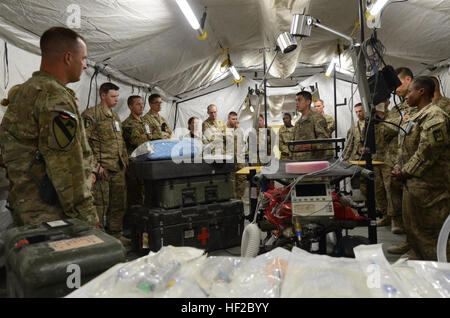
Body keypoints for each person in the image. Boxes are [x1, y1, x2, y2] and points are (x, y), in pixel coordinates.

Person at [0, 27, 98, 227]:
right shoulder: (55, 96)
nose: (86, 65)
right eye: (83, 58)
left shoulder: (25, 91)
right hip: (51, 214)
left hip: (26, 208)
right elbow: (67, 169)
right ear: (68, 57)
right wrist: (87, 218)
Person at [392, 76, 449, 261]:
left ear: (421, 91)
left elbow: (428, 152)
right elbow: (404, 146)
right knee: (414, 230)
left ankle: (440, 275)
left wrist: (405, 171)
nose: (406, 96)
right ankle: (420, 263)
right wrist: (398, 167)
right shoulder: (415, 115)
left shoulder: (434, 116)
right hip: (414, 183)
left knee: (430, 235)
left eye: (410, 92)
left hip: (430, 187)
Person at [82, 82, 129, 245]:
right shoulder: (91, 115)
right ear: (103, 95)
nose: (116, 99)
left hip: (117, 167)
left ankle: (116, 235)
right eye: (113, 96)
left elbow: (120, 141)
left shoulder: (115, 117)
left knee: (118, 204)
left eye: (117, 96)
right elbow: (83, 142)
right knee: (100, 206)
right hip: (102, 169)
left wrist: (124, 161)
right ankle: (100, 241)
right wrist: (95, 165)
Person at [382, 67, 413, 241]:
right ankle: (397, 222)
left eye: (398, 83)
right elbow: (387, 125)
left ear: (408, 80)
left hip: (412, 159)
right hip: (395, 156)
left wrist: (397, 123)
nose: (395, 89)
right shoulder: (398, 107)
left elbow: (396, 125)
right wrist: (402, 121)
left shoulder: (420, 104)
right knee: (392, 190)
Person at [122, 95, 152, 209]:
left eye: (142, 104)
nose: (141, 106)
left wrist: (147, 136)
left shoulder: (145, 121)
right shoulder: (128, 124)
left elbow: (153, 137)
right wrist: (146, 137)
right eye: (137, 104)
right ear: (130, 107)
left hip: (146, 163)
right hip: (134, 165)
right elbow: (138, 141)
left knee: (148, 195)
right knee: (135, 197)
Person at [292, 91, 329, 161]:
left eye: (299, 100)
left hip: (313, 160)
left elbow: (324, 139)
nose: (296, 103)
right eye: (296, 100)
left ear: (308, 102)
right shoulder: (298, 122)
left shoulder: (317, 118)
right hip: (298, 160)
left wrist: (311, 146)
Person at [225, 111, 246, 200]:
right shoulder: (224, 131)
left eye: (236, 119)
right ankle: (233, 199)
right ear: (228, 119)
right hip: (229, 160)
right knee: (232, 181)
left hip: (239, 159)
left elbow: (242, 144)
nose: (235, 121)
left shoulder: (240, 131)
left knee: (242, 179)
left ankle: (239, 198)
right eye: (233, 119)